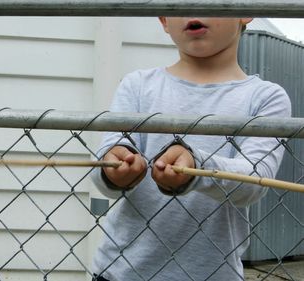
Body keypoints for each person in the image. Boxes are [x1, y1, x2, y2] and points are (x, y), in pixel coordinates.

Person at [90, 17, 291, 281]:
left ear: (246, 9)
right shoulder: (137, 85)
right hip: (120, 273)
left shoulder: (265, 98)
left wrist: (196, 168)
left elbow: (253, 182)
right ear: (164, 20)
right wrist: (114, 170)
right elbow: (106, 169)